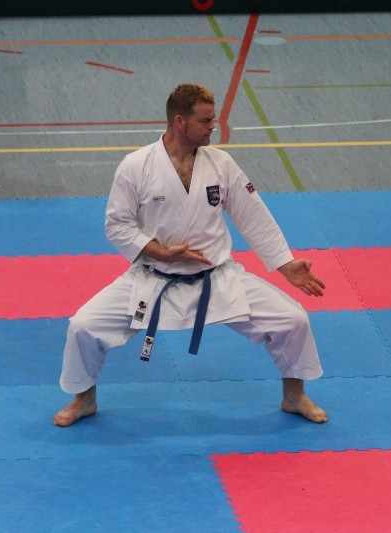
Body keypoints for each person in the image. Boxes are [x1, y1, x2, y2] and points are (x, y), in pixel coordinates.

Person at [54, 83, 329, 427]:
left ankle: (294, 396)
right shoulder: (136, 166)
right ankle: (84, 400)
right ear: (180, 122)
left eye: (213, 119)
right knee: (83, 326)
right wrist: (161, 253)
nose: (214, 126)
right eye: (206, 120)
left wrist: (285, 265)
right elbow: (117, 225)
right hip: (153, 279)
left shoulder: (221, 163)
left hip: (217, 278)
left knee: (293, 319)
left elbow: (252, 214)